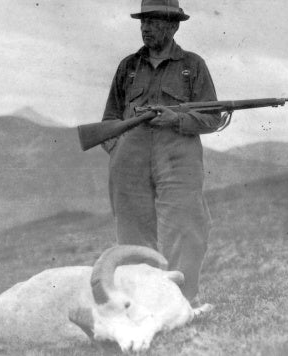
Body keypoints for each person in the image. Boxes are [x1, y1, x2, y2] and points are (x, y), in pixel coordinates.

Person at [100, 0, 224, 305]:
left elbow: (213, 117)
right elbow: (109, 120)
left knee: (185, 225)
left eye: (154, 22)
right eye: (144, 22)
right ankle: (140, 300)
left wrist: (176, 119)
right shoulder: (128, 67)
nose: (145, 28)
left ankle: (181, 300)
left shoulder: (192, 66)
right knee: (131, 231)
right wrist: (120, 152)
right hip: (130, 160)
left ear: (173, 26)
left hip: (177, 157)